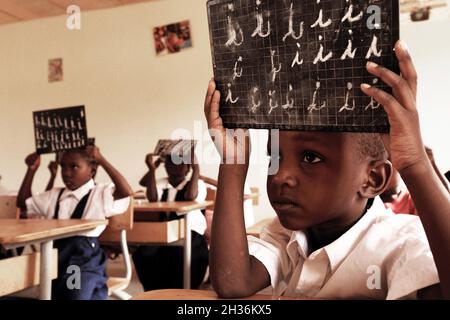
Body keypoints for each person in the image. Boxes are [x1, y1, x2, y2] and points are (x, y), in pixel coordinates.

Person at [204, 40, 450, 299]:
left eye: (311, 157)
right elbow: (233, 283)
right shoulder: (287, 236)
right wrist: (232, 163)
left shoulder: (401, 244)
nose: (280, 176)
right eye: (274, 157)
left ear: (373, 179)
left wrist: (415, 165)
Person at [16, 145, 133, 300]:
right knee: (43, 293)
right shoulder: (55, 195)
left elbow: (126, 191)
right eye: (63, 166)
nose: (66, 173)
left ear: (92, 170)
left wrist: (101, 159)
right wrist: (31, 170)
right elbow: (23, 203)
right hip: (55, 259)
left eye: (74, 167)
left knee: (73, 294)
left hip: (81, 262)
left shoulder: (100, 193)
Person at [132, 151, 209, 291]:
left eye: (179, 163)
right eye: (170, 163)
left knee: (180, 254)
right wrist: (152, 168)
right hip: (166, 230)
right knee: (143, 252)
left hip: (190, 230)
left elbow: (190, 197)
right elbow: (152, 198)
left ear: (188, 167)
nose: (174, 166)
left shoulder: (197, 183)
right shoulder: (163, 182)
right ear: (165, 165)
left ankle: (181, 290)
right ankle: (154, 289)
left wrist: (197, 169)